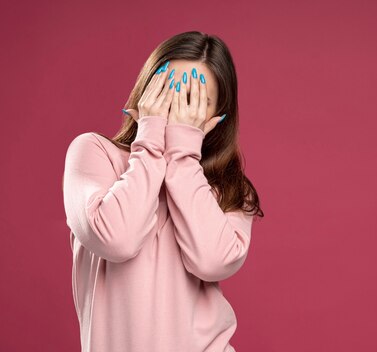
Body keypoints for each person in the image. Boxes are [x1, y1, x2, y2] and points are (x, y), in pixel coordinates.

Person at [62, 31, 263, 352]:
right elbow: (116, 238)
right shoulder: (93, 154)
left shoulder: (231, 189)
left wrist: (183, 155)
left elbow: (213, 261)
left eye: (192, 101)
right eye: (166, 92)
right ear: (146, 91)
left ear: (216, 118)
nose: (175, 110)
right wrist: (151, 139)